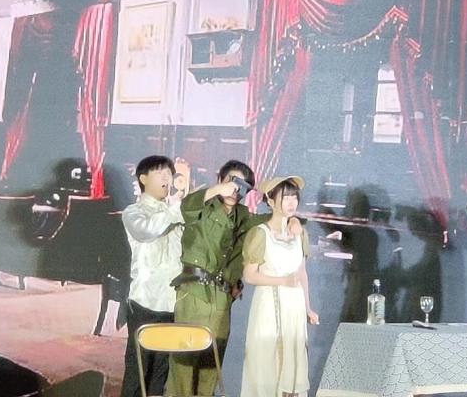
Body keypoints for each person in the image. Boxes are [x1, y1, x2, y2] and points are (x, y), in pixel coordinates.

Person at [167, 160, 302, 397]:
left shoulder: (243, 216)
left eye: (242, 186)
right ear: (220, 180)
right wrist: (218, 189)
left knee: (211, 365)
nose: (235, 189)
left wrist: (292, 220)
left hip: (222, 298)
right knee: (184, 365)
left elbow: (269, 222)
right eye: (231, 181)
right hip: (194, 293)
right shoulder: (202, 207)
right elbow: (187, 205)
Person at [240, 176, 318, 397]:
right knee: (268, 364)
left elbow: (302, 273)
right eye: (286, 198)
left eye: (294, 197)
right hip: (269, 305)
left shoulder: (299, 233)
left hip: (294, 308)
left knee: (292, 368)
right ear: (271, 201)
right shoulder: (260, 233)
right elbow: (249, 275)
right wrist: (282, 281)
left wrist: (308, 308)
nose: (292, 202)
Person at [120, 155, 183, 397]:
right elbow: (146, 231)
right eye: (160, 173)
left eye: (169, 173)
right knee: (138, 370)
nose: (167, 178)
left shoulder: (175, 212)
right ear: (143, 179)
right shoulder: (134, 212)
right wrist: (176, 210)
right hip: (145, 302)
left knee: (161, 371)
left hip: (172, 302)